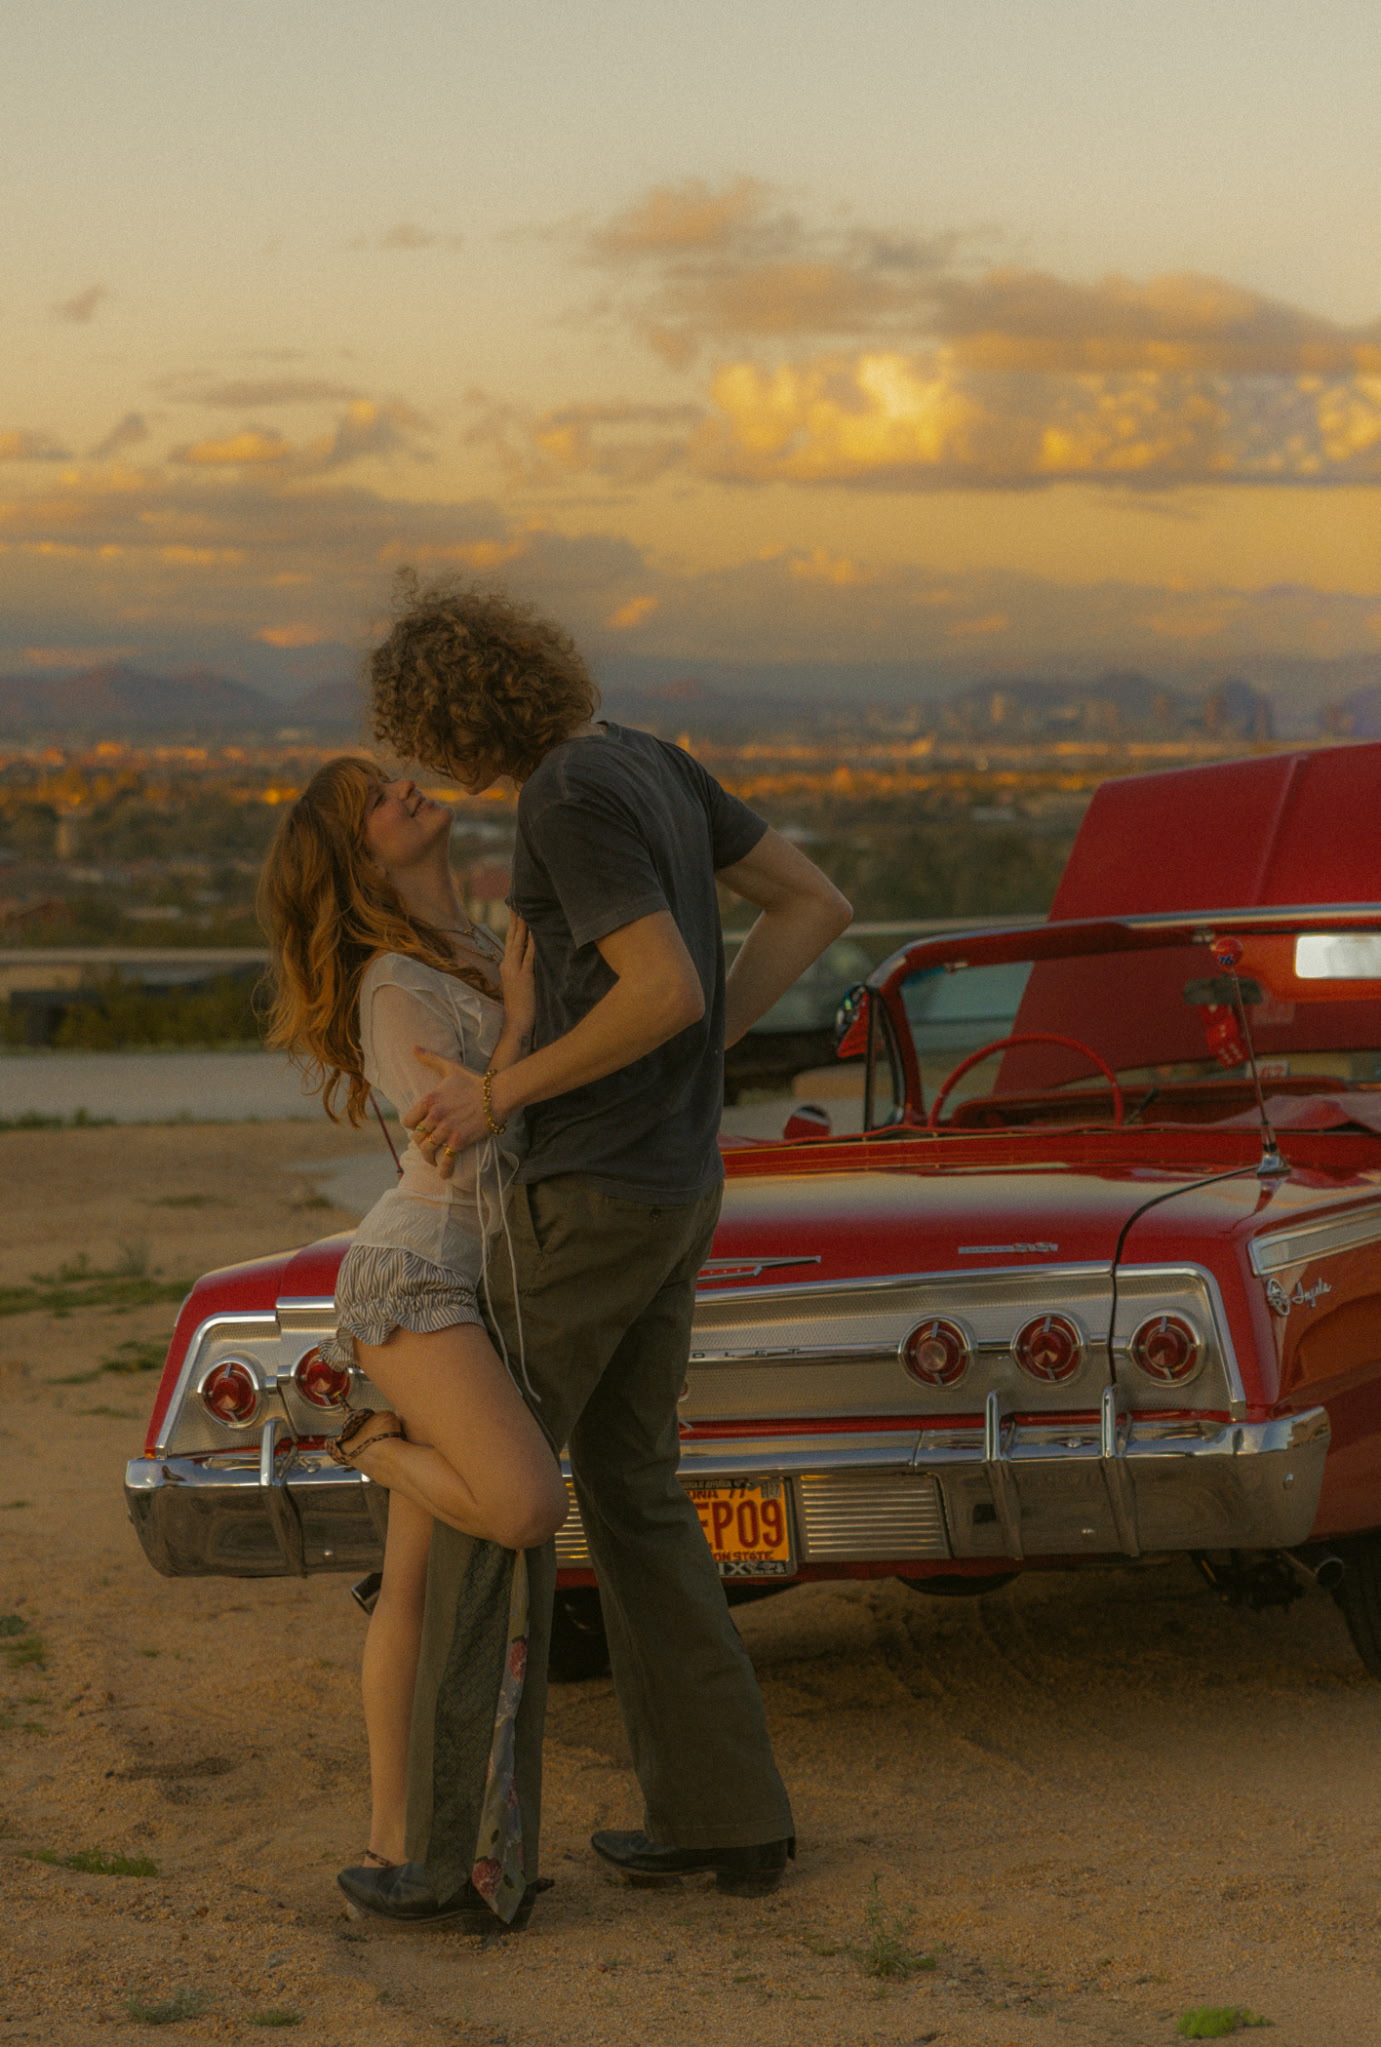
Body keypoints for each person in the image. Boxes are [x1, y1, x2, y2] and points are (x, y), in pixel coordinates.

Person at [338, 579, 853, 1930]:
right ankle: (724, 1817)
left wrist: (504, 1089)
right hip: (678, 1182)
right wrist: (702, 1056)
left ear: (453, 713)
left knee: (490, 1499)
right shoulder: (654, 762)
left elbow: (662, 985)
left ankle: (453, 1860)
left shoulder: (564, 795)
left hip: (588, 1196)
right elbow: (813, 904)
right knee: (631, 1488)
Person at [258, 756, 569, 1928]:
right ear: (360, 855)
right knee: (527, 1505)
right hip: (419, 1278)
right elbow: (463, 1135)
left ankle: (394, 1840)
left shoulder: (478, 942)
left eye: (396, 778)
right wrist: (528, 1024)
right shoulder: (395, 986)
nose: (406, 791)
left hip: (482, 1282)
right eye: (377, 801)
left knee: (416, 1580)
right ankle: (369, 1444)